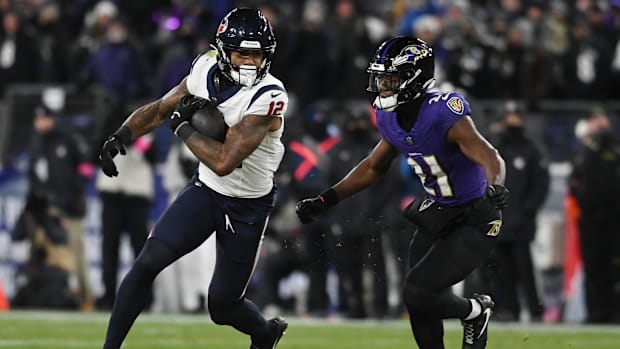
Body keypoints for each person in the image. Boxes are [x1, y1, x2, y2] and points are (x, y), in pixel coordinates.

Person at [296, 36, 508, 349]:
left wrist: (497, 185)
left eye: (391, 78)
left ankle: (475, 311)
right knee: (418, 300)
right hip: (438, 211)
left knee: (416, 290)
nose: (382, 86)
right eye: (380, 78)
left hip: (475, 214)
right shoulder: (389, 117)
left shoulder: (443, 113)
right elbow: (372, 167)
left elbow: (489, 155)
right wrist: (327, 199)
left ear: (415, 78)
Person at [97, 8, 289, 349]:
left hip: (247, 204)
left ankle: (264, 333)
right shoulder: (204, 70)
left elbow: (225, 161)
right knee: (147, 262)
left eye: (256, 54)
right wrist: (121, 136)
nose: (249, 62)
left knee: (222, 305)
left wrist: (182, 128)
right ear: (224, 50)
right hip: (205, 191)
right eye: (242, 53)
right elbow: (158, 109)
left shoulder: (269, 95)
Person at [569, 110, 620, 323]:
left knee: (614, 267)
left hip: (614, 217)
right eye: (594, 120)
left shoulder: (615, 150)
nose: (599, 124)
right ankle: (595, 313)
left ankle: (614, 312)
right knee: (592, 267)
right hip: (589, 218)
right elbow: (574, 182)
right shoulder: (584, 151)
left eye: (601, 119)